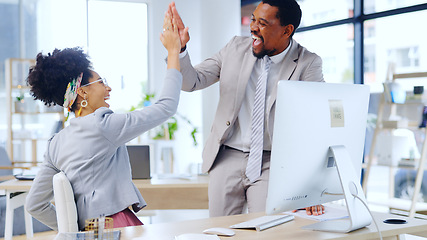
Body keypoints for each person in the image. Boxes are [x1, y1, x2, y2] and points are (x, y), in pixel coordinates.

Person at [165, 0, 325, 217]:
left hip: (272, 161)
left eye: (263, 23)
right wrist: (180, 49)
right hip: (227, 156)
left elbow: (315, 125)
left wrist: (312, 186)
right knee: (219, 230)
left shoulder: (308, 64)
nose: (253, 27)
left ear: (287, 30)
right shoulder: (235, 48)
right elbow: (192, 81)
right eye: (253, 20)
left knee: (267, 228)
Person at [25, 15, 182, 231]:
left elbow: (34, 205)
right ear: (82, 92)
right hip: (117, 226)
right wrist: (174, 52)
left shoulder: (55, 143)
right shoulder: (103, 125)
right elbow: (166, 107)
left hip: (92, 232)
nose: (108, 89)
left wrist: (74, 229)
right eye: (102, 82)